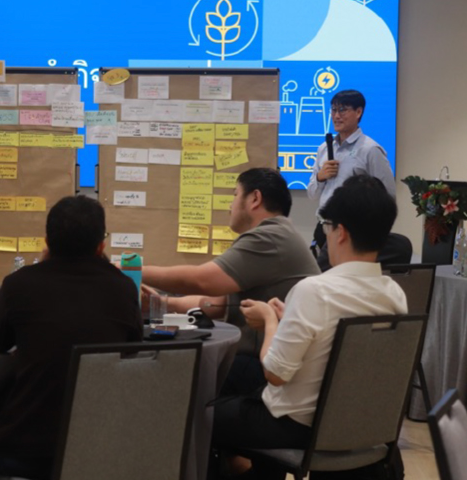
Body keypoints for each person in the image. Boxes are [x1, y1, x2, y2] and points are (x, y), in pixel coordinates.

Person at [211, 175, 407, 480]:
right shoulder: (394, 293)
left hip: (297, 425)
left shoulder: (314, 290)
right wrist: (290, 317)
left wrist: (270, 320)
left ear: (341, 232)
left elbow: (275, 374)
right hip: (359, 425)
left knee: (202, 413)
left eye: (327, 227)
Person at [0, 195, 143, 480]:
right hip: (100, 443)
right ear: (101, 245)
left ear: (47, 242)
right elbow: (133, 350)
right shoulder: (123, 288)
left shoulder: (20, 283)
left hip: (27, 449)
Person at [142, 168, 320, 395]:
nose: (230, 206)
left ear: (255, 198)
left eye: (235, 195)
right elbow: (216, 303)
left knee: (173, 381)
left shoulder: (270, 237)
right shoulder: (277, 234)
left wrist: (131, 269)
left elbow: (202, 281)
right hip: (272, 362)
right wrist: (161, 303)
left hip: (269, 368)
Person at [307, 90, 395, 252]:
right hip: (324, 227)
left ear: (358, 112)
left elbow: (387, 196)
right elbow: (312, 195)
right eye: (333, 110)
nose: (336, 116)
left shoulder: (370, 149)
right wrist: (320, 177)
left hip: (354, 231)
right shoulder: (324, 148)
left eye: (342, 110)